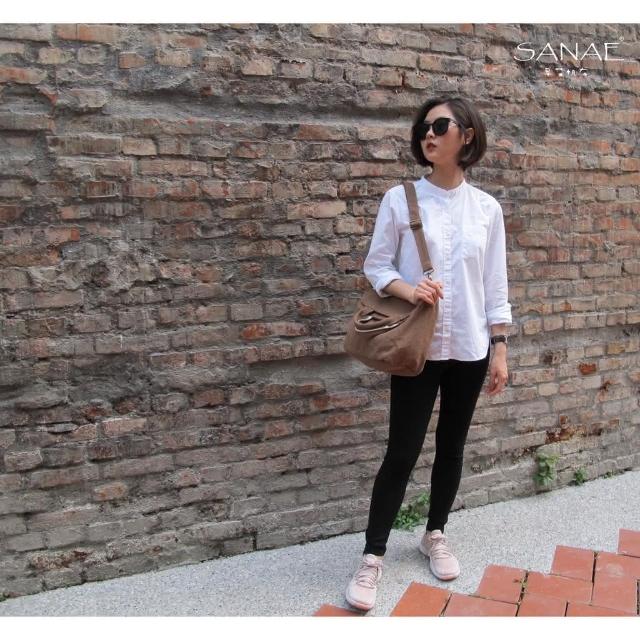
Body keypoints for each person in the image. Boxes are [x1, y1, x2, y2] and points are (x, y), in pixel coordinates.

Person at [345, 94, 513, 612]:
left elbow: (495, 284)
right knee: (402, 451)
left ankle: (434, 532)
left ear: (468, 135)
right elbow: (377, 267)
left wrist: (500, 347)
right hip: (416, 346)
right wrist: (410, 288)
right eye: (424, 127)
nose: (429, 134)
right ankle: (373, 555)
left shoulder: (487, 209)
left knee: (452, 447)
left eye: (440, 126)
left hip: (470, 347)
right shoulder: (401, 200)